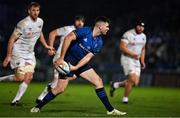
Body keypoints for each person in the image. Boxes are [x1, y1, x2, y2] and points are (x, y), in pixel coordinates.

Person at [30, 16, 126, 116]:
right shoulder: (84, 31)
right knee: (60, 89)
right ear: (100, 26)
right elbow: (68, 38)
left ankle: (110, 110)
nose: (108, 28)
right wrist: (62, 58)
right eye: (107, 26)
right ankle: (38, 107)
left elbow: (88, 58)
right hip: (67, 62)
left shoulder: (99, 42)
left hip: (80, 64)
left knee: (98, 81)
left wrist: (76, 67)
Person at [0, 2, 53, 106]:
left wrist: (46, 46)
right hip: (18, 52)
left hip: (30, 54)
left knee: (29, 77)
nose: (35, 12)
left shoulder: (40, 21)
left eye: (37, 10)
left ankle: (15, 101)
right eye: (33, 10)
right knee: (20, 78)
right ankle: (1, 79)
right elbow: (11, 40)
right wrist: (8, 56)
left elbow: (40, 32)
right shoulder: (23, 23)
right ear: (29, 11)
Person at [36, 15, 85, 103]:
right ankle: (41, 98)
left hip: (71, 59)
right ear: (75, 21)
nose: (80, 22)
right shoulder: (68, 29)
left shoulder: (83, 33)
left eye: (82, 21)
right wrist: (50, 47)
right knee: (57, 80)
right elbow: (52, 33)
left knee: (62, 80)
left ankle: (43, 96)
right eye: (78, 20)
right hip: (60, 57)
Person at [109, 20, 146, 104]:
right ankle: (125, 99)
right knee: (132, 79)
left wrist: (142, 60)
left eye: (142, 26)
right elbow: (122, 47)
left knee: (135, 83)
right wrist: (133, 54)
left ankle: (115, 85)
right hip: (127, 59)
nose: (141, 28)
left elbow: (143, 49)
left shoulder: (144, 36)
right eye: (139, 26)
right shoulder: (128, 34)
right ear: (135, 26)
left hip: (136, 60)